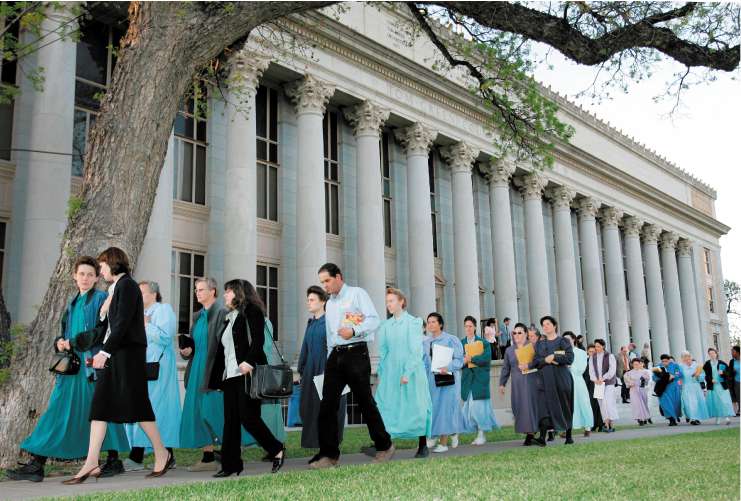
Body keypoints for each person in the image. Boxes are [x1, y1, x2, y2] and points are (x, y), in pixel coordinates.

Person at [6, 256, 129, 482]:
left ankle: (112, 460)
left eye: (90, 274)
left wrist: (71, 342)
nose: (85, 278)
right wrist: (60, 341)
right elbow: (65, 332)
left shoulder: (102, 298)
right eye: (81, 274)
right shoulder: (73, 302)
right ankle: (38, 463)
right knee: (60, 411)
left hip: (92, 368)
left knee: (101, 412)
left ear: (96, 278)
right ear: (74, 276)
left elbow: (101, 332)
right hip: (73, 369)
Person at [65, 247, 172, 484]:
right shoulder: (116, 288)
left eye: (102, 266)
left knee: (139, 406)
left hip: (127, 356)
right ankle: (92, 461)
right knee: (100, 405)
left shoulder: (127, 285)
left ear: (112, 263)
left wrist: (104, 351)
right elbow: (111, 325)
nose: (100, 271)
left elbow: (123, 324)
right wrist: (103, 314)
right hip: (116, 355)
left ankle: (161, 453)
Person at [310, 263, 394, 469]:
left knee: (365, 402)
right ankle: (329, 455)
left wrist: (354, 331)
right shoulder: (329, 304)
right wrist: (330, 359)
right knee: (327, 405)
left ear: (339, 277)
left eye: (327, 281)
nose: (325, 286)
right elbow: (331, 335)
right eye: (322, 282)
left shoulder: (357, 294)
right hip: (335, 356)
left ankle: (385, 445)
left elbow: (374, 321)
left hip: (356, 353)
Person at [205, 279, 285, 476]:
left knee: (248, 417)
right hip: (231, 375)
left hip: (248, 372)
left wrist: (248, 362)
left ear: (238, 292)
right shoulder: (230, 316)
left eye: (228, 291)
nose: (225, 295)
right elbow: (225, 350)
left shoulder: (252, 311)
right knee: (230, 421)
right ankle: (231, 465)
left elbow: (258, 339)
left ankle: (276, 449)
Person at [123, 281, 181, 471]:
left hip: (158, 369)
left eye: (142, 293)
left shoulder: (163, 310)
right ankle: (143, 453)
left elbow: (166, 336)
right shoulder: (135, 314)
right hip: (139, 367)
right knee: (141, 408)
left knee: (156, 409)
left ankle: (161, 454)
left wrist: (147, 325)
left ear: (154, 294)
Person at [374, 288, 432, 457]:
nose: (388, 305)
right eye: (387, 302)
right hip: (391, 371)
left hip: (411, 370)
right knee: (386, 405)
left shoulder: (413, 323)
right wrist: (382, 371)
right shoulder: (385, 326)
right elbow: (383, 351)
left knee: (417, 405)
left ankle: (422, 445)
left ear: (401, 302)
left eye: (391, 301)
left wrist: (407, 373)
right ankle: (385, 444)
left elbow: (415, 350)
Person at [179, 278, 227, 472]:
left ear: (213, 291)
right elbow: (196, 344)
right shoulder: (198, 316)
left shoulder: (222, 313)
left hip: (213, 370)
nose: (197, 293)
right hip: (197, 369)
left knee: (214, 410)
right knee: (198, 412)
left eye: (201, 289)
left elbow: (224, 345)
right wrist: (188, 351)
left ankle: (227, 453)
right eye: (195, 290)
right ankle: (208, 458)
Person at [297, 285, 346, 449]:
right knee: (309, 408)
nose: (308, 303)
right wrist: (302, 370)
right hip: (311, 372)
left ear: (322, 301)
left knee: (328, 409)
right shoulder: (311, 323)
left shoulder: (331, 322)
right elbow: (305, 348)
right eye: (307, 300)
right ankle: (319, 445)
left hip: (327, 371)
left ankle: (330, 447)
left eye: (312, 300)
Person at [424, 312, 465, 453]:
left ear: (440, 324)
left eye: (433, 322)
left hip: (449, 380)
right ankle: (442, 434)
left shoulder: (451, 340)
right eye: (428, 322)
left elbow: (459, 360)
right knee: (434, 409)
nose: (430, 324)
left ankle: (443, 443)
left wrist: (448, 367)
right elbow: (424, 363)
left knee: (445, 409)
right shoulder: (425, 343)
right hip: (432, 381)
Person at [530, 316, 574, 446]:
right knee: (545, 407)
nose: (545, 326)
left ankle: (569, 436)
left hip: (562, 379)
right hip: (546, 380)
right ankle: (542, 438)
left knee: (565, 405)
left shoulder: (563, 341)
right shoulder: (540, 343)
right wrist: (545, 360)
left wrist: (554, 356)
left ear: (554, 325)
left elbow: (570, 358)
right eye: (543, 325)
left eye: (548, 324)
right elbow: (536, 362)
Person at [498, 322, 539, 445]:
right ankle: (529, 431)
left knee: (529, 407)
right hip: (517, 383)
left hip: (531, 381)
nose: (516, 335)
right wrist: (502, 384)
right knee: (518, 407)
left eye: (519, 332)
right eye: (514, 333)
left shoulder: (533, 346)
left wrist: (529, 365)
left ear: (526, 334)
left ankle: (530, 435)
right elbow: (506, 368)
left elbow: (539, 362)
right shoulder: (509, 350)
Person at [460, 316, 498, 445]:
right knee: (469, 410)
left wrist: (472, 359)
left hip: (480, 379)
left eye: (470, 326)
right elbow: (457, 360)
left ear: (475, 327)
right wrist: (463, 360)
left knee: (479, 408)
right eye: (466, 326)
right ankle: (478, 433)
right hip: (467, 379)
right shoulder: (461, 343)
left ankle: (482, 433)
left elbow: (486, 358)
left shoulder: (484, 342)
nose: (468, 328)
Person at [563, 332, 594, 436]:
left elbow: (581, 369)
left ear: (574, 340)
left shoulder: (581, 352)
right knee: (566, 405)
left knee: (583, 403)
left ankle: (587, 426)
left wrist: (569, 366)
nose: (566, 341)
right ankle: (566, 428)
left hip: (577, 380)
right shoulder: (561, 352)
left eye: (568, 339)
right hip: (565, 380)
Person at [589, 338, 619, 432]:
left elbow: (612, 370)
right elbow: (591, 371)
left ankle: (611, 424)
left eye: (598, 346)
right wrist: (595, 380)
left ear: (603, 346)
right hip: (598, 383)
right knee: (601, 403)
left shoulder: (609, 356)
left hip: (609, 383)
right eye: (595, 346)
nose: (596, 348)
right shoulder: (592, 357)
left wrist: (603, 378)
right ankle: (606, 424)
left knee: (608, 402)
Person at [703, 348, 734, 425]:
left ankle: (726, 417)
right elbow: (705, 375)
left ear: (716, 354)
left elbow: (729, 373)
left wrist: (723, 372)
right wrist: (710, 380)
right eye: (710, 354)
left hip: (722, 385)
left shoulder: (722, 363)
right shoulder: (707, 364)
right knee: (716, 402)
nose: (712, 355)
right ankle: (718, 417)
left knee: (724, 401)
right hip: (713, 386)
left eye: (713, 353)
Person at [678, 350, 709, 425]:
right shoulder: (680, 366)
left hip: (696, 386)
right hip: (686, 387)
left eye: (688, 356)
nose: (686, 358)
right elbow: (679, 377)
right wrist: (679, 382)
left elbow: (702, 376)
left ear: (690, 357)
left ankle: (697, 418)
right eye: (684, 357)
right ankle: (692, 418)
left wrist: (699, 376)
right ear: (682, 358)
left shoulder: (696, 365)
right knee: (689, 403)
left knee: (697, 403)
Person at [652, 354, 682, 426]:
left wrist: (673, 376)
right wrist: (661, 379)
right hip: (663, 388)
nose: (664, 363)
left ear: (669, 360)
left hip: (673, 387)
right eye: (663, 361)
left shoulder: (675, 366)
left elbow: (679, 374)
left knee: (675, 404)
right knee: (665, 404)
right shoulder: (658, 367)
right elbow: (654, 377)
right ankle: (671, 419)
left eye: (666, 361)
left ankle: (675, 417)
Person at [623, 358, 652, 425]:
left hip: (642, 390)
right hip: (633, 390)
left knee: (643, 404)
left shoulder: (644, 372)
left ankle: (645, 418)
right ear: (632, 365)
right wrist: (630, 383)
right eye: (634, 364)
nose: (636, 366)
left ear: (640, 364)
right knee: (636, 405)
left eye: (637, 364)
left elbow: (646, 382)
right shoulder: (629, 373)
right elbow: (627, 382)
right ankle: (639, 419)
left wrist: (643, 381)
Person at [584, 344, 605, 433]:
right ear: (587, 352)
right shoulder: (585, 361)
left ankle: (601, 425)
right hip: (589, 386)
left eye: (594, 351)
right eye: (590, 352)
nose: (592, 353)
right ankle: (593, 424)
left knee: (599, 405)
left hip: (598, 385)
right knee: (592, 405)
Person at [730, 346, 740, 416]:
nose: (732, 353)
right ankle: (738, 410)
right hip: (736, 381)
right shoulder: (732, 361)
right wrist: (732, 371)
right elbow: (729, 371)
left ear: (738, 352)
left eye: (733, 352)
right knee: (737, 396)